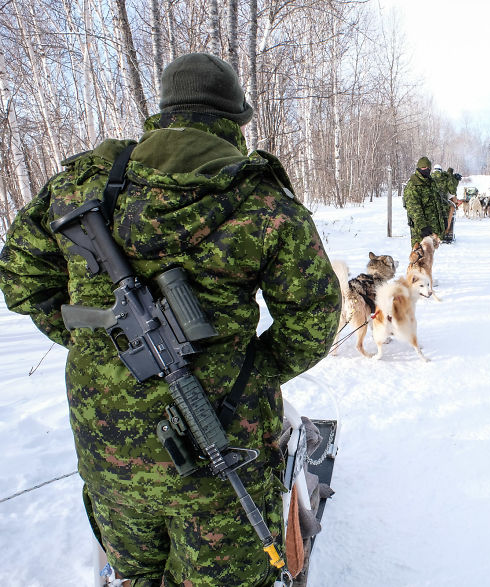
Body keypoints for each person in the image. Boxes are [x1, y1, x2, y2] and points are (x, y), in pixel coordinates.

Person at [0, 53, 342, 586]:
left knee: (135, 575)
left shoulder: (80, 186)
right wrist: (250, 373)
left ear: (163, 110)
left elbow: (21, 277)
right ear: (234, 119)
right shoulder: (264, 202)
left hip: (109, 452)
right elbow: (315, 319)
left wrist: (84, 339)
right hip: (223, 457)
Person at [404, 156, 443, 246]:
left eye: (427, 168)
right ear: (418, 168)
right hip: (420, 230)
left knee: (429, 256)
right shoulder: (413, 185)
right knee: (419, 256)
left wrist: (443, 218)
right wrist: (423, 226)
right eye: (423, 168)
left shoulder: (431, 182)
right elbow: (414, 209)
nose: (425, 169)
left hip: (432, 228)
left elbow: (438, 201)